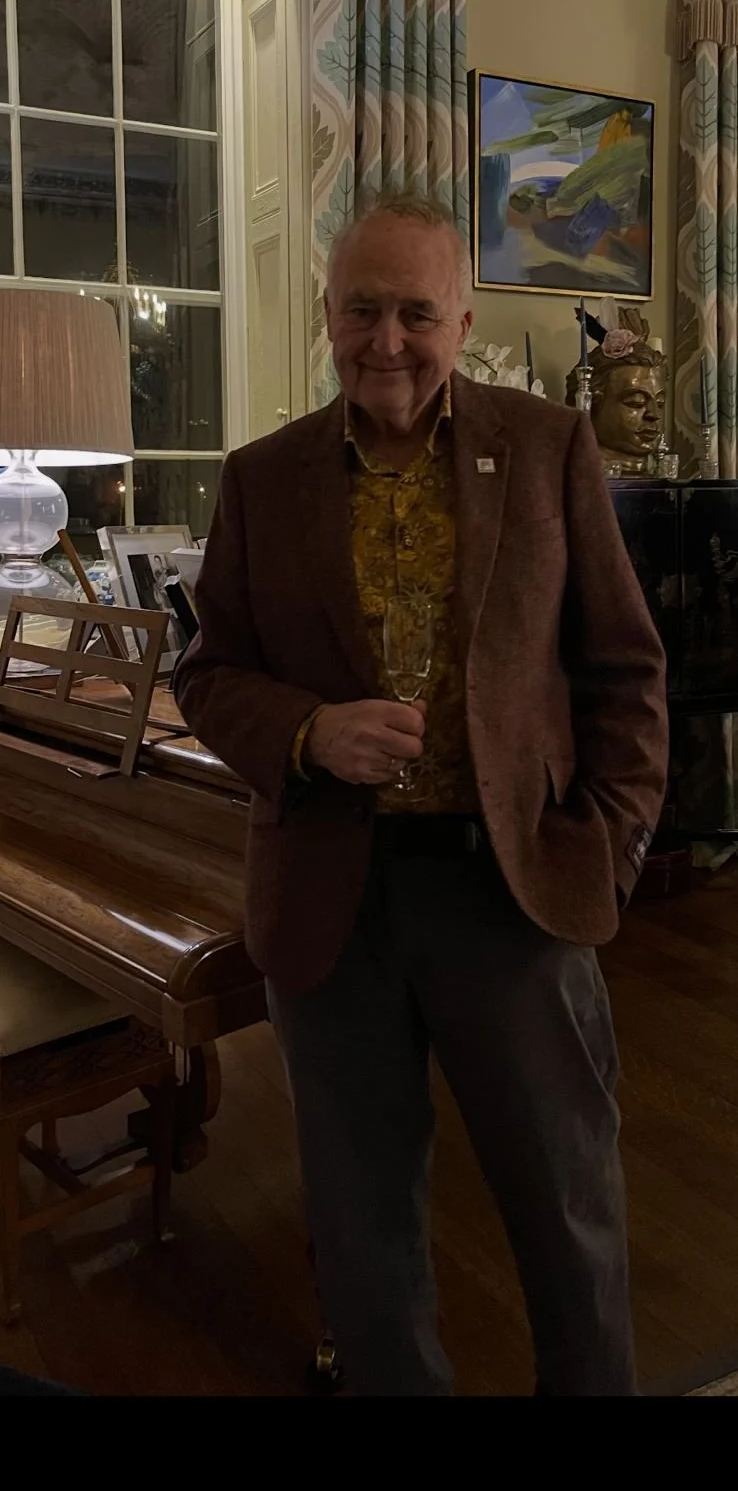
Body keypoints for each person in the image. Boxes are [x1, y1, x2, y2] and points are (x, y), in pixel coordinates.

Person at [174, 190, 668, 1398]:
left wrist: (607, 846)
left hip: (514, 889)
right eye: (359, 309)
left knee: (565, 1209)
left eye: (414, 312)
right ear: (324, 313)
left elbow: (624, 667)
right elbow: (209, 673)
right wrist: (305, 731)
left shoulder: (549, 445)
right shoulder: (259, 477)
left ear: (461, 315)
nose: (384, 340)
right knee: (361, 1225)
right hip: (329, 905)